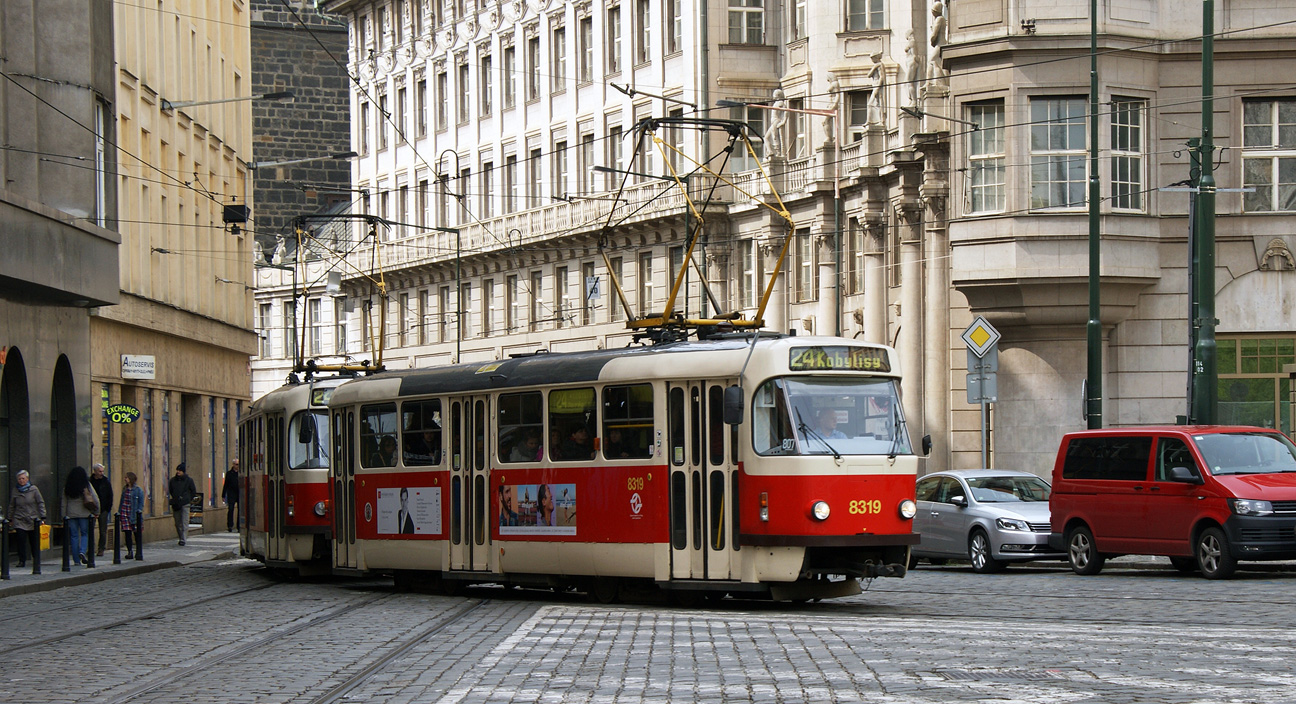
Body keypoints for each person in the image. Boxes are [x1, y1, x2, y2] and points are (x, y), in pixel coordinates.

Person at [7, 470, 46, 570]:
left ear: (27, 479)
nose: (21, 481)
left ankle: (36, 559)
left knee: (34, 541)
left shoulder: (34, 489)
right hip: (19, 519)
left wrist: (43, 516)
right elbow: (12, 505)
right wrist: (9, 518)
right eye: (19, 479)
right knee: (21, 540)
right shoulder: (15, 490)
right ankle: (22, 560)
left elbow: (40, 502)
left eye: (23, 478)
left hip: (32, 518)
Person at [63, 465, 99, 566]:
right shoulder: (86, 485)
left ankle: (76, 560)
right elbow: (95, 498)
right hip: (84, 513)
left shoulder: (68, 487)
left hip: (71, 514)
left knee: (74, 536)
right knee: (84, 534)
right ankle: (82, 551)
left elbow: (63, 503)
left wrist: (64, 516)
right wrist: (97, 512)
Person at [167, 462, 197, 546]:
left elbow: (193, 491)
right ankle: (180, 537)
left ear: (183, 471)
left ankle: (183, 539)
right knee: (177, 523)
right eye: (177, 470)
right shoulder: (173, 480)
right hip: (176, 503)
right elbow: (171, 490)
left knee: (184, 522)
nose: (178, 472)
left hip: (185, 503)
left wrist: (188, 499)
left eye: (180, 470)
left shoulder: (189, 480)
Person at [118, 471, 145, 559]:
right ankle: (130, 551)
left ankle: (138, 551)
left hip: (134, 514)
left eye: (126, 477)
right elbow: (122, 502)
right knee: (127, 534)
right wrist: (119, 513)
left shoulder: (138, 490)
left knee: (137, 534)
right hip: (125, 513)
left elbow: (141, 503)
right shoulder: (125, 489)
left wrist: (139, 513)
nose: (125, 479)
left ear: (130, 479)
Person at [89, 464, 114, 557]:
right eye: (100, 471)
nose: (102, 473)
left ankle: (101, 549)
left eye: (102, 471)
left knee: (103, 531)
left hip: (103, 509)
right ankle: (91, 548)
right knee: (90, 529)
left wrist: (108, 508)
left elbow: (110, 496)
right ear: (95, 471)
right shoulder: (90, 481)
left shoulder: (106, 481)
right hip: (92, 509)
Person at [221, 459, 240, 533]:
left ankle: (239, 526)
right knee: (231, 509)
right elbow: (226, 484)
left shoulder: (241, 473)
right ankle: (230, 525)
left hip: (239, 493)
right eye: (236, 464)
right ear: (233, 465)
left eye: (238, 464)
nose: (237, 466)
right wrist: (223, 495)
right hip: (231, 493)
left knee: (240, 510)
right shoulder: (229, 473)